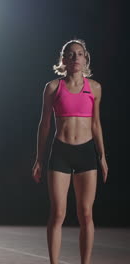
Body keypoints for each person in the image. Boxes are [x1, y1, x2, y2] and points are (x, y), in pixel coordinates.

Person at [32, 39, 108, 264]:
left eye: (80, 54)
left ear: (86, 59)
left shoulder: (95, 88)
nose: (75, 58)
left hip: (86, 154)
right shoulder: (53, 87)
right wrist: (39, 158)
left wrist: (102, 156)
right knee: (58, 214)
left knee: (86, 214)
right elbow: (44, 124)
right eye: (70, 54)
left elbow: (96, 124)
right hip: (61, 153)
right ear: (63, 59)